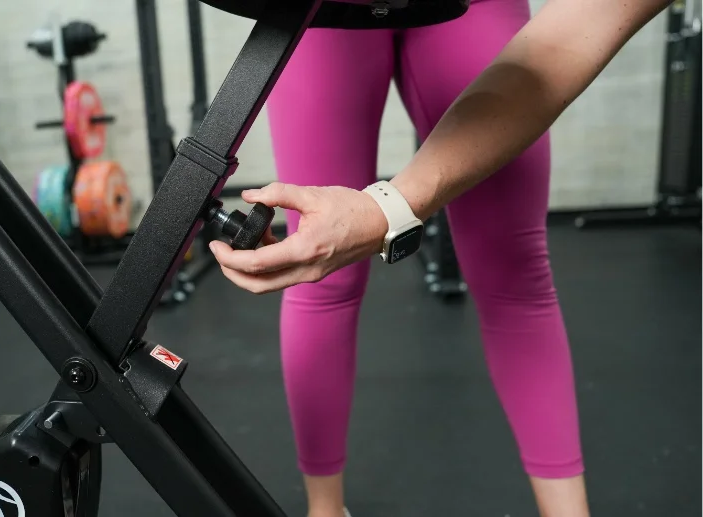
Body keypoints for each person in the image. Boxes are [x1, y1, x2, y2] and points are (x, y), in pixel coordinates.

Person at [208, 0, 674, 515]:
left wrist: (388, 209)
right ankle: (324, 511)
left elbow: (570, 38)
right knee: (320, 278)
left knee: (515, 272)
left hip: (475, 5)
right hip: (327, 10)